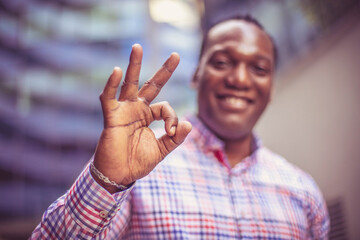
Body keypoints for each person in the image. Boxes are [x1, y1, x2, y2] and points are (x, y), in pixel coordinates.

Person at [31, 15, 329, 239]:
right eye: (223, 62)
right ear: (196, 74)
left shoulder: (303, 193)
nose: (240, 79)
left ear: (271, 87)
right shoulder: (138, 171)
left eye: (259, 68)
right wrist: (106, 183)